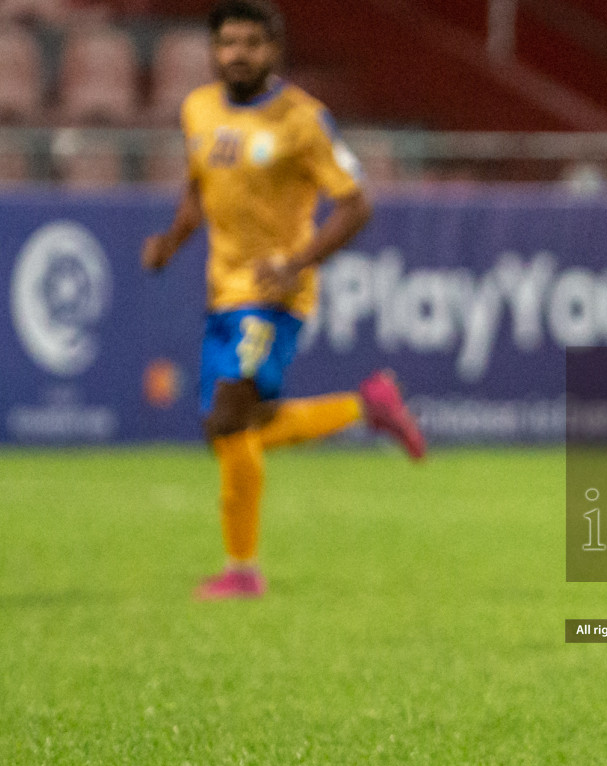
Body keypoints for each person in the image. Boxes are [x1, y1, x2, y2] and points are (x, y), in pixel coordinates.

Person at [142, 0, 425, 601]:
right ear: (213, 49)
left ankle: (243, 571)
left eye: (250, 42)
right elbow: (198, 189)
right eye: (227, 43)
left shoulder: (303, 119)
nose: (237, 54)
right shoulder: (197, 109)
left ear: (272, 49)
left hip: (275, 295)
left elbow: (357, 204)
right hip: (223, 292)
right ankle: (364, 407)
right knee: (232, 430)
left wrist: (296, 263)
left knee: (227, 419)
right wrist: (170, 242)